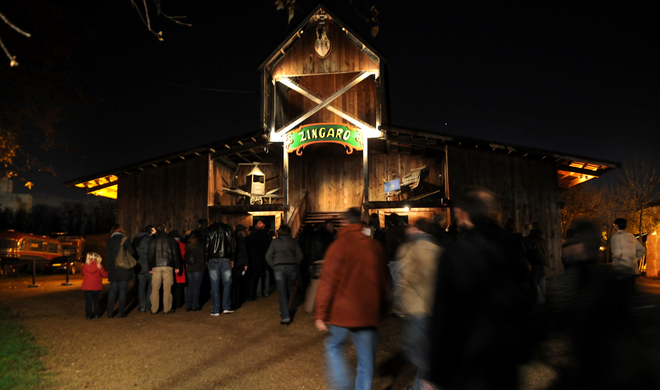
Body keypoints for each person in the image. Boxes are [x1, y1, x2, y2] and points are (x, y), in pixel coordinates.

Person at [428, 187, 530, 390]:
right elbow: (525, 301)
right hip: (505, 360)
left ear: (464, 214)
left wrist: (437, 372)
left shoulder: (455, 253)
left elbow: (443, 315)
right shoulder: (511, 249)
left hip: (468, 362)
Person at [315, 207, 389, 390]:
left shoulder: (338, 246)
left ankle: (344, 385)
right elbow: (384, 281)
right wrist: (383, 308)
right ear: (361, 223)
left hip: (343, 311)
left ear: (346, 222)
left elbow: (327, 282)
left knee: (334, 348)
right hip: (367, 312)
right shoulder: (374, 246)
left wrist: (321, 313)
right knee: (366, 361)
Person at [395, 219, 444, 390]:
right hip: (435, 309)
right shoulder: (439, 250)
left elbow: (403, 280)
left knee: (418, 353)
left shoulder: (408, 249)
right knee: (428, 351)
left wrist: (399, 305)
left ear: (416, 229)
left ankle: (426, 385)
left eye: (411, 227)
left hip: (416, 308)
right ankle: (421, 385)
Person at [266, 224, 303, 324]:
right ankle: (283, 309)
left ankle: (285, 316)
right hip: (292, 267)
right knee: (288, 290)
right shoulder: (294, 241)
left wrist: (274, 265)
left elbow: (268, 256)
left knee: (282, 291)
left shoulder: (275, 242)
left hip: (279, 267)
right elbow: (300, 256)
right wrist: (295, 263)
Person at [148, 223, 182, 314]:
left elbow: (150, 255)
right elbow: (175, 254)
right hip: (168, 265)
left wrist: (150, 267)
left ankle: (154, 309)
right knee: (167, 288)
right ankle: (167, 308)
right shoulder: (171, 240)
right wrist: (177, 266)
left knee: (155, 288)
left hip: (156, 266)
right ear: (165, 230)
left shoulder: (153, 240)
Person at [206, 211, 234, 315]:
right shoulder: (227, 228)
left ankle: (216, 309)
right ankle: (226, 306)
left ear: (213, 218)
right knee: (227, 283)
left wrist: (206, 260)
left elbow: (207, 247)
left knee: (214, 285)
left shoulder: (209, 229)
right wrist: (232, 259)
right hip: (225, 258)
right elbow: (232, 245)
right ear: (221, 217)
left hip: (213, 259)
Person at [106, 224, 137, 318]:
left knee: (112, 291)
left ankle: (110, 313)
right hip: (124, 268)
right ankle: (121, 312)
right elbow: (132, 252)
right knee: (123, 291)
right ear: (121, 231)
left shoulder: (109, 241)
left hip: (113, 269)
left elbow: (108, 256)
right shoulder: (125, 239)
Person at [611, 218, 646, 289]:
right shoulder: (631, 236)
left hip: (622, 269)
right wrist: (635, 259)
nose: (614, 226)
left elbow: (617, 253)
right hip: (633, 269)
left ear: (617, 226)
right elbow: (642, 250)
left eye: (614, 224)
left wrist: (614, 264)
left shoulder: (615, 237)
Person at [246, 222, 271, 300]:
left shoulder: (253, 236)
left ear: (256, 227)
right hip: (266, 258)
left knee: (258, 276)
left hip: (256, 259)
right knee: (267, 275)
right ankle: (266, 292)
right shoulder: (267, 236)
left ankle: (259, 292)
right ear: (264, 226)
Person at [526, 221, 549, 304]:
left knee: (534, 279)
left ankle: (540, 298)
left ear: (532, 227)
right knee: (542, 278)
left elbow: (529, 248)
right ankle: (543, 297)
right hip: (543, 259)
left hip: (536, 260)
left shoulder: (531, 236)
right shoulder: (542, 236)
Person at [133, 225, 155, 312]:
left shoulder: (135, 240)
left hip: (139, 266)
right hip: (149, 265)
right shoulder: (149, 240)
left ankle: (142, 306)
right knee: (150, 286)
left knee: (141, 287)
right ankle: (148, 304)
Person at [81, 252, 108, 320]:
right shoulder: (99, 266)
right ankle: (96, 314)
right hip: (96, 286)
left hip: (87, 286)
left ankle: (88, 315)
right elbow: (104, 275)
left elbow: (82, 273)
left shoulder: (85, 266)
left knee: (88, 301)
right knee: (96, 301)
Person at [184, 229, 206, 311]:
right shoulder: (200, 245)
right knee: (197, 287)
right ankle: (195, 305)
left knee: (190, 286)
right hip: (198, 267)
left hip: (189, 267)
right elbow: (202, 257)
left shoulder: (188, 244)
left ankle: (188, 305)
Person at [231, 224, 249, 310]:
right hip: (239, 262)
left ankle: (232, 302)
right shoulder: (241, 239)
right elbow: (244, 251)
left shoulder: (231, 239)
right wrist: (246, 263)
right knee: (238, 283)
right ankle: (237, 302)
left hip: (231, 262)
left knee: (232, 283)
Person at [170, 230, 186, 309]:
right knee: (179, 287)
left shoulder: (170, 245)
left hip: (171, 267)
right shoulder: (183, 245)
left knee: (171, 287)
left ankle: (172, 303)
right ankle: (179, 303)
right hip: (180, 267)